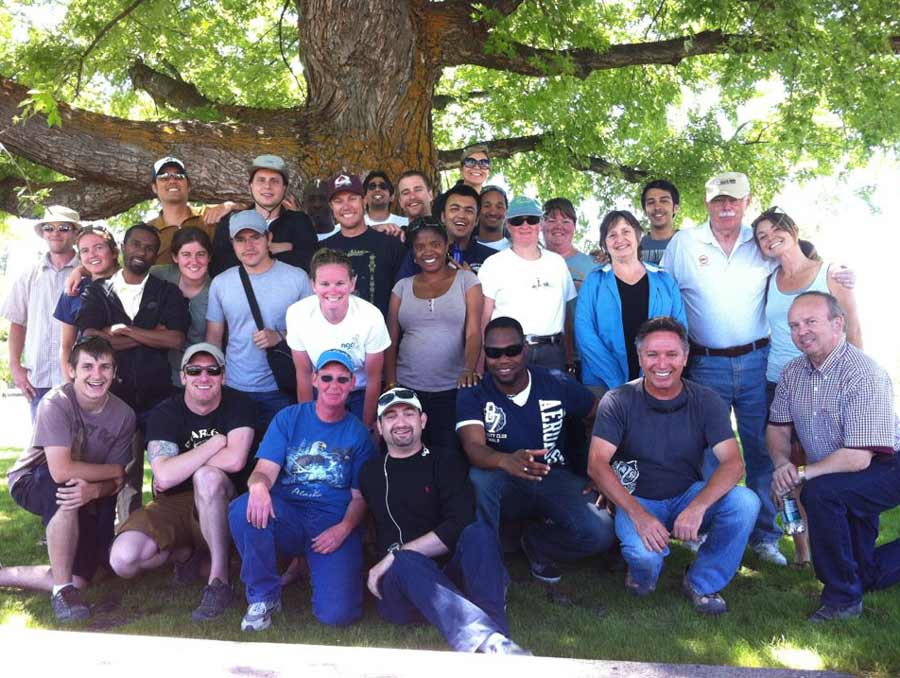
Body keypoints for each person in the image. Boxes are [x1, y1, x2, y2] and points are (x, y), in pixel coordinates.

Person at [661, 171, 854, 566]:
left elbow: (798, 267)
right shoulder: (685, 242)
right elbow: (663, 289)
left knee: (763, 451)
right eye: (718, 201)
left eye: (733, 199)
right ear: (707, 203)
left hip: (756, 363)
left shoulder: (760, 242)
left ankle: (766, 535)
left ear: (747, 201)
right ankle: (708, 528)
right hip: (704, 362)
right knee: (709, 452)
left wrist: (839, 273)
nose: (726, 207)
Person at [588, 317, 760, 614]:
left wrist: (697, 507)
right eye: (652, 355)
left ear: (685, 356)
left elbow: (734, 463)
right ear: (640, 358)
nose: (662, 363)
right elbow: (597, 464)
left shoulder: (706, 400)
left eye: (671, 354)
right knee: (645, 560)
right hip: (638, 498)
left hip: (686, 495)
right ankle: (641, 576)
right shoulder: (618, 400)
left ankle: (701, 582)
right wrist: (638, 515)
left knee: (745, 502)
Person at [358, 387, 528, 655]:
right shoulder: (369, 472)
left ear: (422, 420)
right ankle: (487, 640)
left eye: (408, 414)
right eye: (390, 417)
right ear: (379, 426)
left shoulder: (446, 460)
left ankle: (497, 639)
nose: (400, 423)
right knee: (405, 561)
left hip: (450, 578)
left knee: (479, 532)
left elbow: (458, 523)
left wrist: (393, 556)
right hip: (402, 590)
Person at [768, 292, 900, 622]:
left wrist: (801, 474)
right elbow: (777, 429)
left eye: (811, 322)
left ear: (837, 323)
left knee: (821, 494)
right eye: (794, 325)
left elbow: (858, 458)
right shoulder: (793, 372)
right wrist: (782, 463)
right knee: (863, 572)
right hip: (841, 468)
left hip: (885, 465)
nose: (801, 331)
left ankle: (841, 602)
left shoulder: (863, 374)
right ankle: (852, 582)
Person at [456, 317, 615, 584]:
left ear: (525, 350)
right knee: (480, 478)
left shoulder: (556, 382)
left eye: (512, 350)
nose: (503, 359)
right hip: (502, 479)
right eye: (494, 353)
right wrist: (505, 460)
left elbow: (601, 416)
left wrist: (602, 468)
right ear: (485, 354)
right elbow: (473, 447)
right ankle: (486, 565)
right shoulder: (473, 392)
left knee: (601, 532)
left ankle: (537, 543)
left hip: (552, 475)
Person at [228, 350, 375, 631]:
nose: (334, 385)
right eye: (327, 377)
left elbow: (359, 497)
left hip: (330, 522)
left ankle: (314, 566)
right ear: (315, 379)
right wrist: (258, 487)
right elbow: (265, 470)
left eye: (342, 379)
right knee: (243, 508)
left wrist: (343, 528)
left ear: (352, 383)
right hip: (289, 514)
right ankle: (263, 595)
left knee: (338, 615)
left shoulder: (358, 434)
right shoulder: (289, 418)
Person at [109, 343, 256, 621]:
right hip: (174, 503)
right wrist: (214, 444)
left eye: (213, 370)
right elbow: (163, 476)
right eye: (195, 370)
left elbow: (235, 461)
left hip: (223, 499)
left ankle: (219, 581)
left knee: (208, 477)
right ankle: (184, 555)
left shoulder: (239, 405)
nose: (204, 377)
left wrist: (181, 466)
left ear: (223, 376)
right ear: (183, 376)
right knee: (123, 560)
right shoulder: (165, 413)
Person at [1, 337, 135, 622]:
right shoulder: (56, 403)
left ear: (114, 371)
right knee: (65, 487)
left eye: (105, 367)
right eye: (87, 366)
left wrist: (97, 489)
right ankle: (62, 591)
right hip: (32, 478)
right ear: (72, 370)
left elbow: (118, 482)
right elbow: (61, 470)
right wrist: (112, 472)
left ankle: (4, 576)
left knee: (87, 576)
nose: (97, 375)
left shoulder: (124, 415)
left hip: (87, 487)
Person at [76, 223, 190, 521]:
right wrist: (150, 334)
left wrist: (123, 331)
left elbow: (176, 339)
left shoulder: (166, 292)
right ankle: (126, 540)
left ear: (156, 255)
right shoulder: (99, 291)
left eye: (150, 247)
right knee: (123, 476)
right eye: (137, 244)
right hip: (114, 400)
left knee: (169, 474)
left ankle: (169, 541)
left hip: (160, 399)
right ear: (123, 248)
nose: (142, 251)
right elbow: (91, 338)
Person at [206, 210, 313, 433]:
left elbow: (314, 332)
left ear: (269, 239)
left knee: (281, 460)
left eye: (255, 237)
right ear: (232, 244)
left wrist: (280, 335)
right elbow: (214, 338)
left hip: (282, 387)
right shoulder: (221, 283)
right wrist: (216, 383)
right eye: (240, 239)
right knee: (237, 462)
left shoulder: (297, 278)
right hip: (235, 387)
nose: (249, 246)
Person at [385, 220, 483, 450]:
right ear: (413, 252)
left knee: (449, 455)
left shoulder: (467, 281)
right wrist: (390, 383)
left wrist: (469, 368)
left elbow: (473, 332)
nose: (428, 251)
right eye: (420, 246)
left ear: (447, 245)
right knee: (410, 454)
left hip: (452, 388)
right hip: (408, 388)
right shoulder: (401, 287)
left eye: (435, 244)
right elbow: (390, 339)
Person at [752, 207, 862, 398]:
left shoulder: (831, 274)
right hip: (778, 380)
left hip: (826, 378)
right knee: (776, 429)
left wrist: (855, 376)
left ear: (793, 230)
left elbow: (853, 329)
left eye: (777, 229)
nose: (770, 237)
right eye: (762, 236)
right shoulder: (769, 280)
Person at [576, 210, 686, 396]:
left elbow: (681, 331)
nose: (620, 239)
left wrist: (656, 372)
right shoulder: (593, 282)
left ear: (638, 235)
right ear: (605, 244)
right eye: (612, 235)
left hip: (659, 377)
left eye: (626, 231)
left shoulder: (665, 281)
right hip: (603, 383)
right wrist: (617, 382)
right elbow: (584, 332)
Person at [286, 248, 390, 431]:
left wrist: (366, 428)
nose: (332, 291)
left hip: (359, 392)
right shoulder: (297, 313)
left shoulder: (371, 316)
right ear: (313, 285)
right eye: (324, 284)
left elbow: (374, 378)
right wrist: (309, 422)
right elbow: (303, 374)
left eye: (340, 283)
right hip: (322, 390)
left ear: (352, 283)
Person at [478, 197, 576, 371]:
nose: (525, 225)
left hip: (553, 353)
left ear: (540, 224)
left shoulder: (557, 264)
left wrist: (569, 359)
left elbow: (566, 315)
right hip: (508, 352)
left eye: (531, 219)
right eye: (517, 220)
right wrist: (479, 366)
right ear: (508, 225)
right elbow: (483, 320)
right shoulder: (493, 265)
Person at [2, 205, 80, 419]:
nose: (55, 233)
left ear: (75, 233)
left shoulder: (88, 272)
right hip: (40, 380)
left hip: (82, 379)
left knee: (85, 448)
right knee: (41, 448)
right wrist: (15, 366)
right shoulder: (29, 275)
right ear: (43, 233)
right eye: (49, 228)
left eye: (64, 227)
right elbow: (18, 323)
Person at [210, 155, 319, 276]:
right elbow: (220, 266)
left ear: (284, 188)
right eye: (261, 180)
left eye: (274, 181)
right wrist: (271, 249)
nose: (267, 186)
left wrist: (247, 255)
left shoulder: (300, 221)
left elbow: (308, 263)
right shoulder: (231, 221)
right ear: (250, 186)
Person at [322, 172, 406, 317]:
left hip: (380, 335)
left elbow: (402, 298)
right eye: (338, 201)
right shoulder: (322, 250)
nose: (346, 206)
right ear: (331, 206)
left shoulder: (391, 245)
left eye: (352, 199)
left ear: (364, 200)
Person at [54, 225, 119, 382]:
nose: (92, 255)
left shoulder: (131, 283)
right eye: (85, 251)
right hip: (92, 379)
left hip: (136, 375)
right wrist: (70, 385)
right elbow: (66, 346)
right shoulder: (73, 291)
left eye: (98, 247)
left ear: (114, 252)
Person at [150, 227, 213, 385]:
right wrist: (80, 270)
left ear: (209, 257)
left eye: (201, 254)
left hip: (196, 374)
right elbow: (123, 274)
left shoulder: (217, 290)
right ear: (175, 257)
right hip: (156, 368)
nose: (194, 261)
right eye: (186, 254)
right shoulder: (159, 275)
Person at [396, 185, 497, 278]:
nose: (461, 216)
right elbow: (401, 293)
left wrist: (473, 282)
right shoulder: (419, 253)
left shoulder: (492, 259)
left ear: (476, 220)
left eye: (468, 211)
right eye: (454, 209)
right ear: (443, 217)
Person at [145, 157, 227, 264]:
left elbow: (248, 206)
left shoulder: (209, 213)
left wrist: (229, 206)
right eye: (164, 177)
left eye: (179, 176)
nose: (172, 181)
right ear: (154, 187)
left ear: (188, 185)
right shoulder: (147, 232)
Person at [639, 179, 680, 266]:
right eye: (651, 202)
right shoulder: (635, 247)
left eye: (664, 201)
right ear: (645, 211)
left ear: (675, 208)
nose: (657, 207)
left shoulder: (689, 242)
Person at [476, 185, 509, 251]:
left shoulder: (516, 251)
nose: (493, 213)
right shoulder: (465, 246)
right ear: (478, 210)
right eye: (487, 206)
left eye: (499, 207)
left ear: (507, 211)